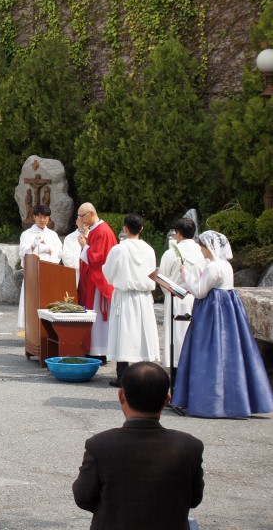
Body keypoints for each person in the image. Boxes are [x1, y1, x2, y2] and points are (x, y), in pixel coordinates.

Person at [73, 361, 204, 529]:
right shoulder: (189, 446)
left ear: (121, 396)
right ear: (167, 400)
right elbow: (194, 498)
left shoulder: (100, 445)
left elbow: (83, 497)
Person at [171, 231, 273, 418]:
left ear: (209, 247)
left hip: (212, 312)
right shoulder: (225, 265)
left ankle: (208, 402)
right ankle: (236, 401)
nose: (201, 250)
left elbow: (200, 291)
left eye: (202, 246)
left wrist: (186, 276)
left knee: (208, 353)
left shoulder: (213, 267)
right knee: (230, 352)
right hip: (228, 310)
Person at [102, 213, 159, 387]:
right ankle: (145, 376)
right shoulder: (149, 249)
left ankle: (123, 376)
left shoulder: (119, 249)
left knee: (123, 335)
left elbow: (108, 273)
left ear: (125, 229)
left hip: (125, 296)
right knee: (142, 334)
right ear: (141, 228)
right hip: (144, 296)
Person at [157, 218, 204, 376]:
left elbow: (163, 278)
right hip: (197, 298)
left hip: (176, 299)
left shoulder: (171, 253)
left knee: (176, 339)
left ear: (178, 234)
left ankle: (176, 374)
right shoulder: (201, 251)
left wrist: (171, 293)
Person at [76, 203, 117, 359]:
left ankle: (99, 352)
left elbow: (97, 258)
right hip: (92, 280)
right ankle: (94, 350)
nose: (81, 220)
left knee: (98, 318)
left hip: (98, 283)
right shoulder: (95, 229)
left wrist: (84, 246)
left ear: (91, 214)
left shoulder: (102, 231)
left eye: (82, 216)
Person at [17, 205, 63, 329]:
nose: (42, 220)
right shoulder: (26, 234)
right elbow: (23, 254)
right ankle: (31, 328)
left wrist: (46, 248)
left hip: (49, 272)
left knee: (48, 300)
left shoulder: (53, 235)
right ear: (34, 217)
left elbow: (59, 253)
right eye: (39, 217)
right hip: (33, 274)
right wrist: (33, 246)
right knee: (32, 301)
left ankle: (47, 328)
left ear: (49, 218)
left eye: (45, 217)